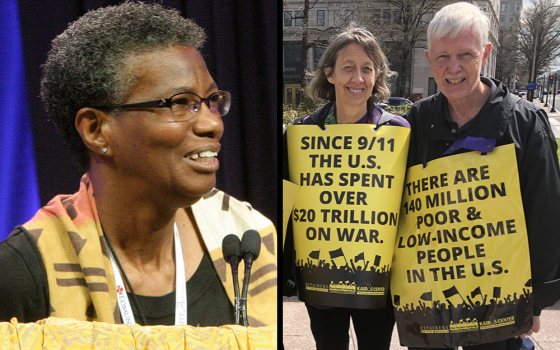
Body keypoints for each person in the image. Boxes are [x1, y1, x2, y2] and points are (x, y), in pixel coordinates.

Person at [0, 2, 276, 327]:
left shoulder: (248, 240)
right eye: (180, 103)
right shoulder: (24, 273)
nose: (212, 124)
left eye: (212, 101)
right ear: (96, 130)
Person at [404, 2, 560, 349]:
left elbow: (546, 215)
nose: (453, 67)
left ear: (485, 53)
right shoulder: (417, 120)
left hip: (501, 297)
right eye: (443, 57)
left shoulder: (525, 122)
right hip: (432, 294)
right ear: (429, 59)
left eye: (465, 54)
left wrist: (535, 301)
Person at [283, 26, 410, 350]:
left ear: (377, 74)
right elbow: (289, 206)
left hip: (378, 280)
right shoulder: (303, 134)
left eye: (367, 68)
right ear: (330, 73)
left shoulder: (397, 132)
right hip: (322, 276)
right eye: (348, 68)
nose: (358, 78)